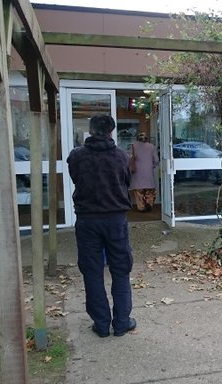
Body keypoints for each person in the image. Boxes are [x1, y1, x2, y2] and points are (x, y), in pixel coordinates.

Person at [67, 113, 136, 338]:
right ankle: (122, 322)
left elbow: (75, 178)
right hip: (115, 220)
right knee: (121, 269)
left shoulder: (77, 156)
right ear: (111, 131)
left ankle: (102, 323)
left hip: (88, 221)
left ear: (90, 130)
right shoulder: (121, 157)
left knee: (92, 271)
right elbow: (126, 181)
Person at [130, 131, 160, 212]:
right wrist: (152, 166)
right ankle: (149, 204)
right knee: (150, 190)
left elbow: (129, 158)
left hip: (137, 173)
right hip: (148, 173)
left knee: (139, 191)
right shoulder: (151, 146)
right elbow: (156, 160)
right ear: (146, 138)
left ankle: (141, 207)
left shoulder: (133, 146)